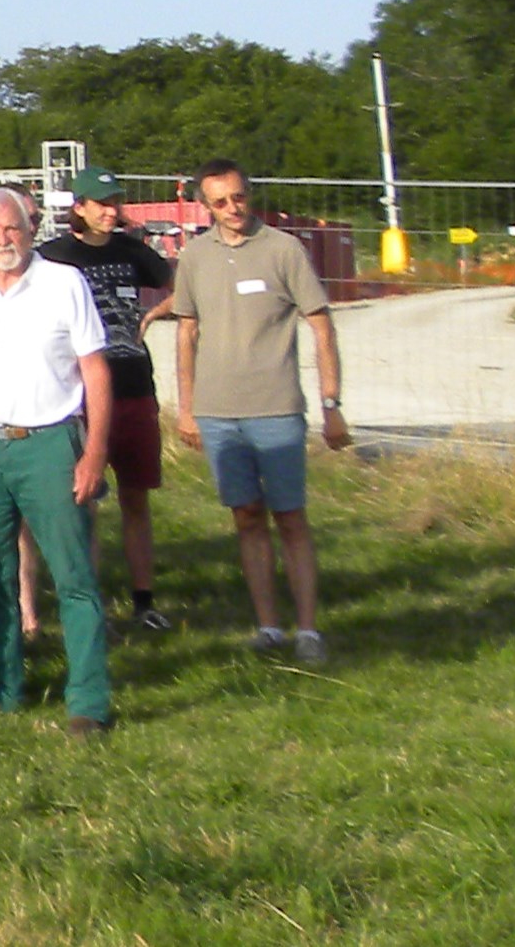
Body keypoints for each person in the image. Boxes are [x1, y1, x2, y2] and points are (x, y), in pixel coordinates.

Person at [0, 186, 115, 734]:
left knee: (74, 576)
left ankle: (88, 701)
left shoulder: (63, 282)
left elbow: (95, 371)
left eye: (11, 229)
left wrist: (93, 453)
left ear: (29, 229)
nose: (3, 241)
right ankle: (0, 691)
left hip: (49, 443)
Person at [169, 158, 348, 664]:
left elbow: (321, 325)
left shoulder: (284, 250)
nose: (232, 209)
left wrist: (332, 404)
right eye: (220, 202)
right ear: (205, 206)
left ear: (251, 194)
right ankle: (268, 625)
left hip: (276, 410)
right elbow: (186, 332)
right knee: (246, 517)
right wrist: (187, 408)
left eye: (239, 198)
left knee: (290, 517)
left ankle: (308, 629)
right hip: (218, 414)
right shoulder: (195, 257)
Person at [32, 166, 177, 635]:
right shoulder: (54, 256)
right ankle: (90, 607)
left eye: (115, 202)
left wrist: (152, 315)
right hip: (80, 396)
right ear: (79, 207)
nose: (110, 211)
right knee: (85, 503)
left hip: (134, 384)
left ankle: (143, 602)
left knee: (137, 500)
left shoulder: (134, 250)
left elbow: (178, 286)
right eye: (100, 204)